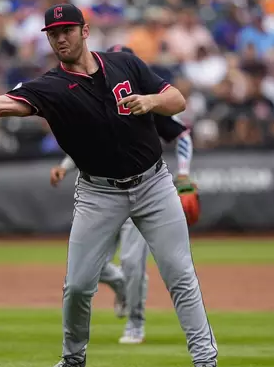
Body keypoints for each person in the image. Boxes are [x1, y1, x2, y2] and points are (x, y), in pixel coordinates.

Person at [0, 4, 224, 367]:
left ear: (85, 31)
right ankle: (73, 360)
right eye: (53, 33)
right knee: (78, 285)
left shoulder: (124, 64)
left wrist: (150, 102)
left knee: (180, 276)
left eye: (67, 29)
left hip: (153, 184)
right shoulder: (50, 87)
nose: (60, 38)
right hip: (98, 192)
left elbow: (177, 101)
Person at [49, 44, 198, 347]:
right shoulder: (92, 95)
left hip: (141, 189)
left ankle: (135, 322)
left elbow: (181, 131)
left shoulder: (141, 97)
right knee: (94, 267)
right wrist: (66, 166)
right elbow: (91, 141)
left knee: (132, 261)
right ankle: (119, 286)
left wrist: (183, 174)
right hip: (101, 193)